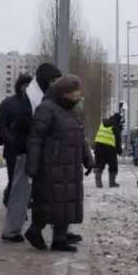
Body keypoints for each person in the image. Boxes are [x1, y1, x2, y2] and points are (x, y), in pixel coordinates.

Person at [25, 74, 95, 252]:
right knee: (47, 201)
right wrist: (32, 166)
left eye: (78, 91)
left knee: (66, 202)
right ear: (63, 92)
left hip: (70, 166)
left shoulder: (70, 111)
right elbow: (35, 139)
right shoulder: (46, 108)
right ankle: (35, 230)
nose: (77, 95)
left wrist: (88, 159)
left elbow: (80, 138)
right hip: (50, 166)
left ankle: (59, 239)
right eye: (74, 91)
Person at [0, 74, 34, 242]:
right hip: (14, 150)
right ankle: (14, 210)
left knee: (22, 184)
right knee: (15, 182)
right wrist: (11, 140)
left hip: (29, 149)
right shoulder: (9, 103)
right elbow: (1, 125)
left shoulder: (33, 102)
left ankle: (17, 208)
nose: (27, 88)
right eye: (25, 85)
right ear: (20, 86)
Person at [93, 112, 121, 188]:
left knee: (99, 165)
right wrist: (119, 150)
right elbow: (118, 140)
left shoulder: (103, 123)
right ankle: (112, 183)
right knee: (113, 166)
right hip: (110, 149)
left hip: (99, 147)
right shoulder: (115, 125)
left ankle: (98, 184)